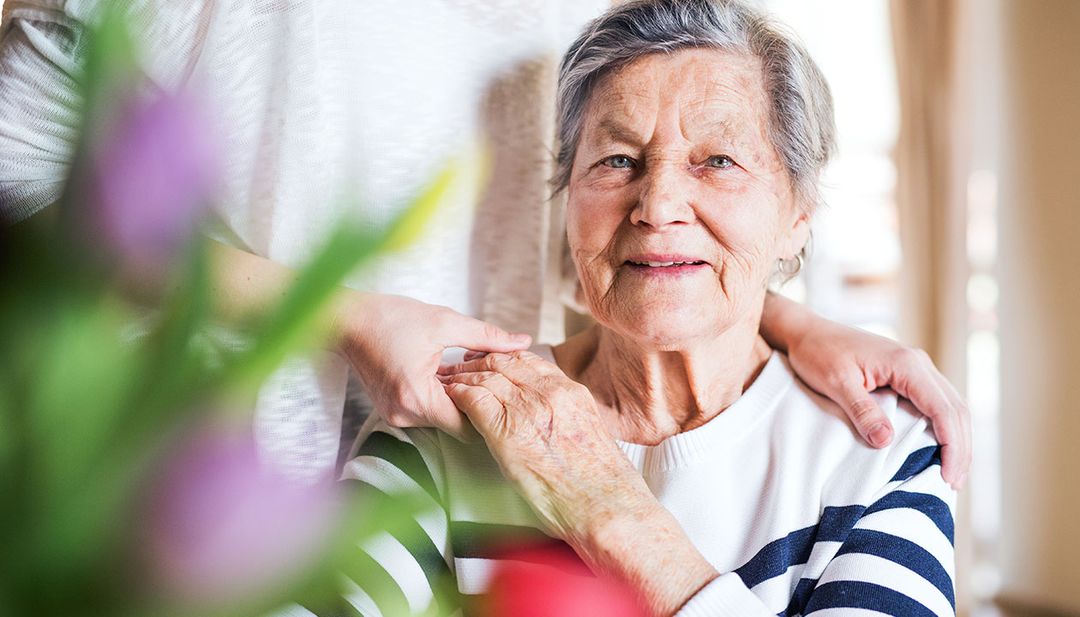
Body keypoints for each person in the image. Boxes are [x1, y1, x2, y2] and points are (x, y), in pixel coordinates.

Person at [0, 1, 968, 485]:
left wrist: (786, 317)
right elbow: (19, 186)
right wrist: (349, 316)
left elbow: (618, 206)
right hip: (182, 506)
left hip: (470, 501)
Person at [326, 1, 956, 615]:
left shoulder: (880, 448)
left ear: (798, 218)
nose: (657, 206)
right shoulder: (448, 418)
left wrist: (606, 508)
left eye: (717, 161)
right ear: (566, 200)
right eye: (617, 160)